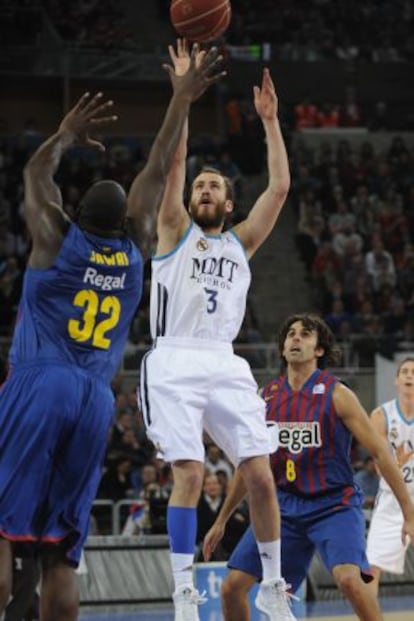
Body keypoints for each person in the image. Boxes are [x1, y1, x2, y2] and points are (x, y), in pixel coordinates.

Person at [0, 42, 225, 621]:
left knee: (2, 529)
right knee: (59, 555)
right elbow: (156, 168)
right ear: (128, 222)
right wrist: (180, 98)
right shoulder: (135, 252)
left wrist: (65, 134)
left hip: (40, 383)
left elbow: (33, 172)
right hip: (95, 399)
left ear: (73, 214)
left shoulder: (54, 236)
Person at [138, 40, 292, 621]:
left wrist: (271, 123)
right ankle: (183, 593)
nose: (202, 190)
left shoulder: (241, 241)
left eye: (213, 187)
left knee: (260, 474)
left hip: (225, 361)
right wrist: (181, 95)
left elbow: (278, 189)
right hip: (174, 359)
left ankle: (275, 588)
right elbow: (173, 166)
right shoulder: (174, 228)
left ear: (229, 202)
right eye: (199, 185)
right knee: (191, 473)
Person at [203, 314, 414, 621]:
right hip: (284, 509)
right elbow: (249, 464)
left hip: (333, 504)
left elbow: (382, 454)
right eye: (290, 334)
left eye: (305, 334)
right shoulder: (266, 397)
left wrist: (408, 512)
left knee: (350, 580)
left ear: (319, 350)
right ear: (282, 348)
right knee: (231, 588)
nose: (296, 338)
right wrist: (221, 519)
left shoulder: (337, 394)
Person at [366, 357, 414, 594]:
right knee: (370, 570)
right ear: (396, 380)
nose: (409, 375)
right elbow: (378, 464)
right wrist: (396, 463)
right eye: (404, 371)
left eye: (413, 372)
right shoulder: (380, 415)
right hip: (392, 498)